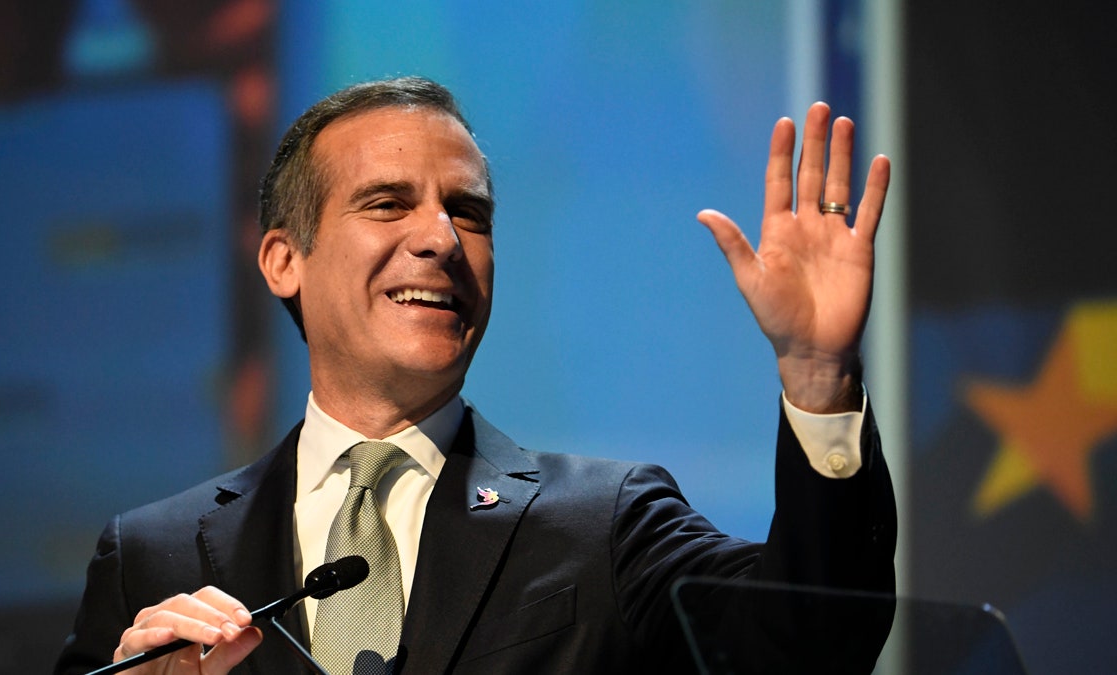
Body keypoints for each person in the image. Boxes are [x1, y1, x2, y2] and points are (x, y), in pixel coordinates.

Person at [55, 77, 895, 675]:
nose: (443, 239)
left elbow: (810, 641)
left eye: (470, 213)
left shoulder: (603, 524)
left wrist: (819, 375)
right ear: (283, 260)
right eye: (388, 203)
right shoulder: (151, 554)